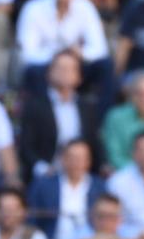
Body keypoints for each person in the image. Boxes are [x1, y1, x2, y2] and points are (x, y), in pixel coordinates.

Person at [18, 49, 102, 182]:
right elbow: (26, 146)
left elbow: (94, 145)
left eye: (70, 69)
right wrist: (43, 169)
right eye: (60, 68)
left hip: (81, 177)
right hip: (46, 176)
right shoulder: (34, 106)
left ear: (79, 77)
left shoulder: (88, 108)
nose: (65, 72)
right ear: (48, 73)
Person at [26, 138, 106, 239]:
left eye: (81, 158)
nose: (76, 163)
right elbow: (32, 220)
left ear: (89, 161)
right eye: (72, 157)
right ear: (62, 159)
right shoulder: (44, 185)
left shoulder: (100, 187)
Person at [15, 0, 111, 97]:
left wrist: (79, 54)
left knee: (105, 66)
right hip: (46, 66)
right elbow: (28, 53)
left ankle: (103, 113)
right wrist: (58, 57)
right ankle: (44, 111)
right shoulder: (33, 8)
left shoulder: (85, 7)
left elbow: (100, 49)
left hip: (77, 63)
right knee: (33, 72)